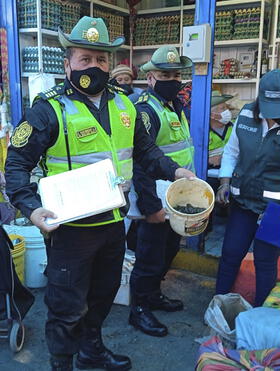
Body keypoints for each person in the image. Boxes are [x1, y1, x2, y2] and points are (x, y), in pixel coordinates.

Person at [5, 17, 195, 371]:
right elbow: (16, 164)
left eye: (101, 59)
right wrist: (31, 210)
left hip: (112, 222)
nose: (94, 66)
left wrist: (175, 170)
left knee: (103, 295)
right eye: (85, 59)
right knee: (66, 305)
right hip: (69, 230)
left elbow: (146, 151)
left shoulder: (125, 105)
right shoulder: (49, 109)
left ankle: (92, 350)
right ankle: (62, 363)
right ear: (67, 65)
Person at [128, 46, 194, 338]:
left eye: (176, 74)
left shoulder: (172, 105)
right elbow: (140, 163)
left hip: (176, 197)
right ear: (151, 78)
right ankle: (139, 309)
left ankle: (153, 295)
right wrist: (150, 207)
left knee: (168, 251)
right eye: (165, 74)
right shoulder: (146, 109)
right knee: (149, 257)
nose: (172, 79)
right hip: (155, 199)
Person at [215, 69, 280, 306]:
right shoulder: (246, 114)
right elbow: (232, 151)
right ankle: (219, 305)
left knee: (266, 262)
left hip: (277, 209)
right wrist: (224, 182)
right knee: (230, 254)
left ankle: (260, 316)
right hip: (243, 201)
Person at [205, 91, 234, 211]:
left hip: (229, 177)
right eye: (222, 108)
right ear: (212, 114)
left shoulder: (233, 128)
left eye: (226, 107)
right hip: (209, 178)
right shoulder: (203, 132)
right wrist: (208, 161)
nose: (227, 111)